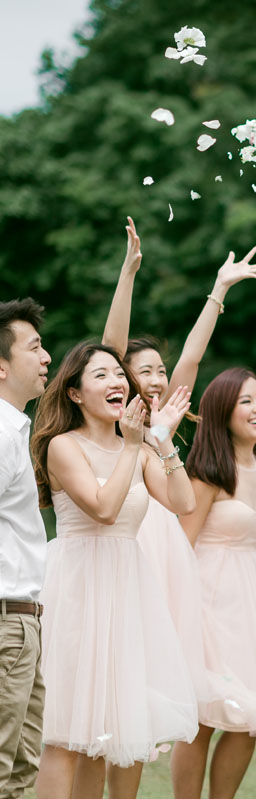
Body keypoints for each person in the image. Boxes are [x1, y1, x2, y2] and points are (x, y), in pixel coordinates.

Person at [102, 216, 256, 715]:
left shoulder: (168, 418)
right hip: (131, 531)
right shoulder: (118, 418)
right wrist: (128, 274)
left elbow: (194, 358)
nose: (156, 377)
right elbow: (112, 344)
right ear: (120, 378)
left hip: (170, 537)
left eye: (161, 369)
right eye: (144, 369)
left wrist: (218, 291)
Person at [31, 343, 197, 799]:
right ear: (75, 393)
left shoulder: (141, 448)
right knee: (66, 734)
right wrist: (132, 447)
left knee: (116, 730)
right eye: (101, 375)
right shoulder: (62, 447)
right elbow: (104, 509)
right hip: (77, 590)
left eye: (119, 374)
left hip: (128, 591)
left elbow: (183, 502)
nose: (117, 382)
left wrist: (161, 442)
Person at [172, 368, 256, 799]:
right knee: (203, 717)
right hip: (208, 600)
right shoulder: (209, 470)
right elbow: (182, 545)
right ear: (223, 413)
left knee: (250, 717)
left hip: (253, 603)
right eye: (246, 402)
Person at [0, 299, 52, 799]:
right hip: (6, 622)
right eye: (34, 347)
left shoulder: (14, 429)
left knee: (21, 770)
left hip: (24, 621)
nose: (46, 358)